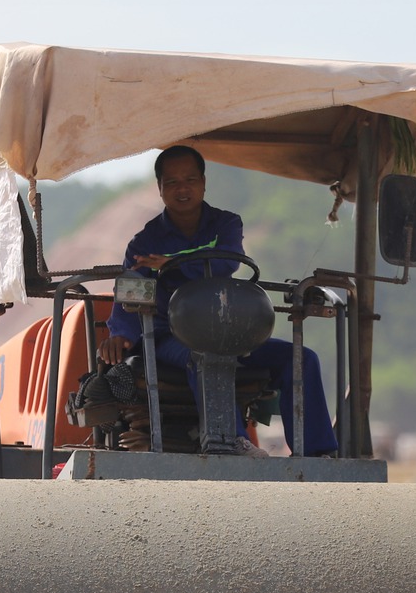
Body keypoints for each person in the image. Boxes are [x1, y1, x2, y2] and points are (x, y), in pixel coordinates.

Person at [97, 145, 338, 456]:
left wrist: (171, 263)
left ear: (203, 183)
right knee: (204, 353)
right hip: (171, 337)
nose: (182, 189)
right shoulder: (144, 243)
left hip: (228, 330)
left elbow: (228, 261)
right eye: (171, 182)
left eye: (190, 179)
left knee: (301, 358)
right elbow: (133, 290)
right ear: (159, 189)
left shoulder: (226, 224)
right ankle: (233, 442)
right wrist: (120, 335)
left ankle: (317, 452)